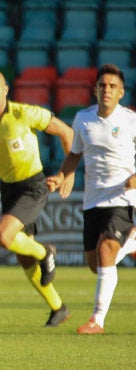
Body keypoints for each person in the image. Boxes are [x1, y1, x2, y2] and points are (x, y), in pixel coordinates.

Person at [0, 70, 74, 327]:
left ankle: (46, 251)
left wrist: (67, 173)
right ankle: (58, 307)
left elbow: (67, 133)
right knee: (23, 257)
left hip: (33, 185)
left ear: (5, 90)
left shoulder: (24, 113)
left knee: (3, 235)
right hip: (8, 189)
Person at [48, 64, 136, 335]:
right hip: (93, 200)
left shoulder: (130, 120)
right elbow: (74, 154)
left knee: (106, 250)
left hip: (123, 196)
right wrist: (62, 176)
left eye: (112, 86)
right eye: (102, 85)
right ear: (95, 89)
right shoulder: (83, 120)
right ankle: (132, 242)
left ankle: (97, 320)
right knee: (95, 264)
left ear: (121, 92)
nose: (106, 90)